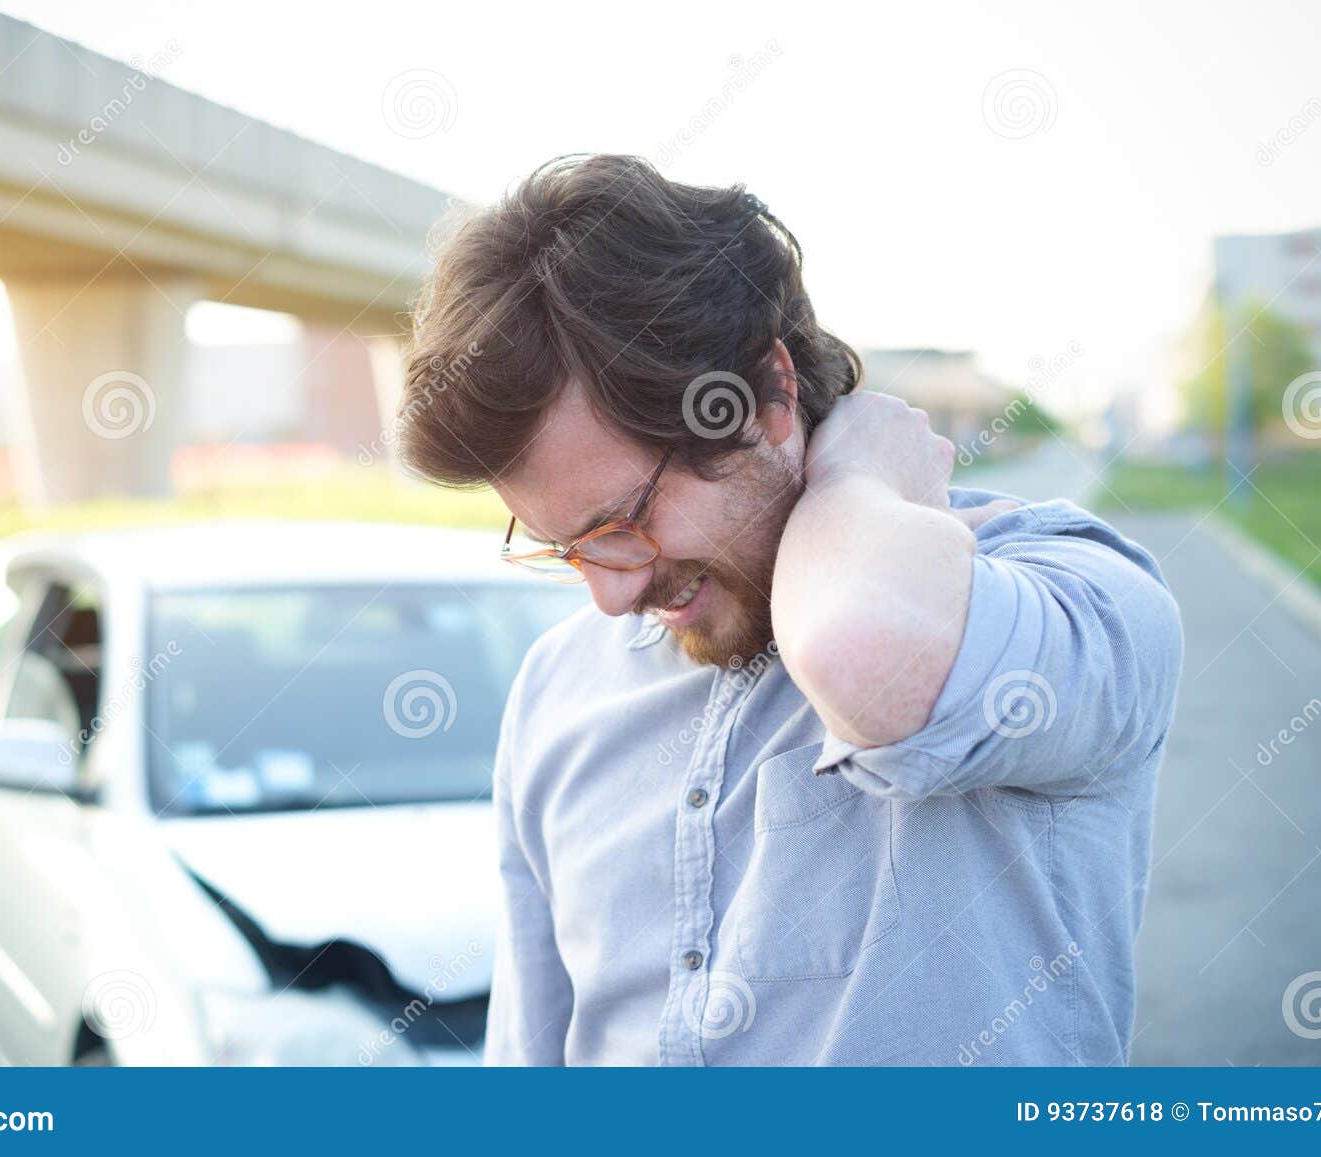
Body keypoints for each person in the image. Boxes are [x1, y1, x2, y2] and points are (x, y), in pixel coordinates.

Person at [394, 154, 1182, 1066]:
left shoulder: (1072, 590)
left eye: (625, 521)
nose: (609, 596)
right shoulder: (556, 685)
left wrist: (854, 475)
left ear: (766, 397)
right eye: (565, 546)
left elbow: (870, 655)